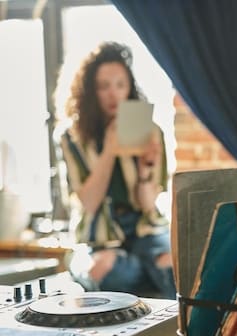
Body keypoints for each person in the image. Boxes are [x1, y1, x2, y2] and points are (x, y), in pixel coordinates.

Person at [57, 42, 176, 299]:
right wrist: (110, 150)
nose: (113, 94)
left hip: (145, 228)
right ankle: (138, 265)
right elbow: (88, 203)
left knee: (173, 268)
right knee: (109, 271)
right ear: (89, 91)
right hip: (98, 234)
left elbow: (147, 205)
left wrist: (145, 168)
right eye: (104, 86)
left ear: (129, 88)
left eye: (120, 85)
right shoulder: (71, 137)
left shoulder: (150, 131)